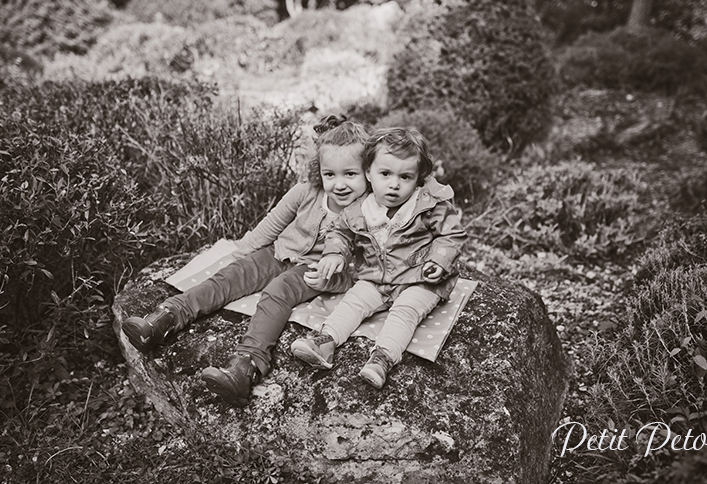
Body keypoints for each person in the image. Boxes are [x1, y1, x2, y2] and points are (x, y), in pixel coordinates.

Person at [122, 114, 369, 407]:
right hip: (279, 252)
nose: (339, 184)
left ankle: (245, 367)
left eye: (350, 174)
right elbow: (271, 225)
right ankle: (165, 318)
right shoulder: (305, 192)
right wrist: (239, 252)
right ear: (320, 171)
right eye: (331, 175)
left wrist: (332, 281)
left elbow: (361, 269)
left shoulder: (367, 212)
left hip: (312, 270)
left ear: (368, 171)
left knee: (277, 293)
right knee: (231, 275)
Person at [291, 127, 468, 389]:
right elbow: (340, 232)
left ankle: (382, 358)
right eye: (385, 174)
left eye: (405, 176)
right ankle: (325, 341)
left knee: (405, 312)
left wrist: (438, 262)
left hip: (419, 278)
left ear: (418, 178)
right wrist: (334, 253)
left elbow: (452, 234)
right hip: (375, 275)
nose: (394, 184)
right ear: (369, 173)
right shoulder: (359, 208)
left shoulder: (428, 204)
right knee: (353, 302)